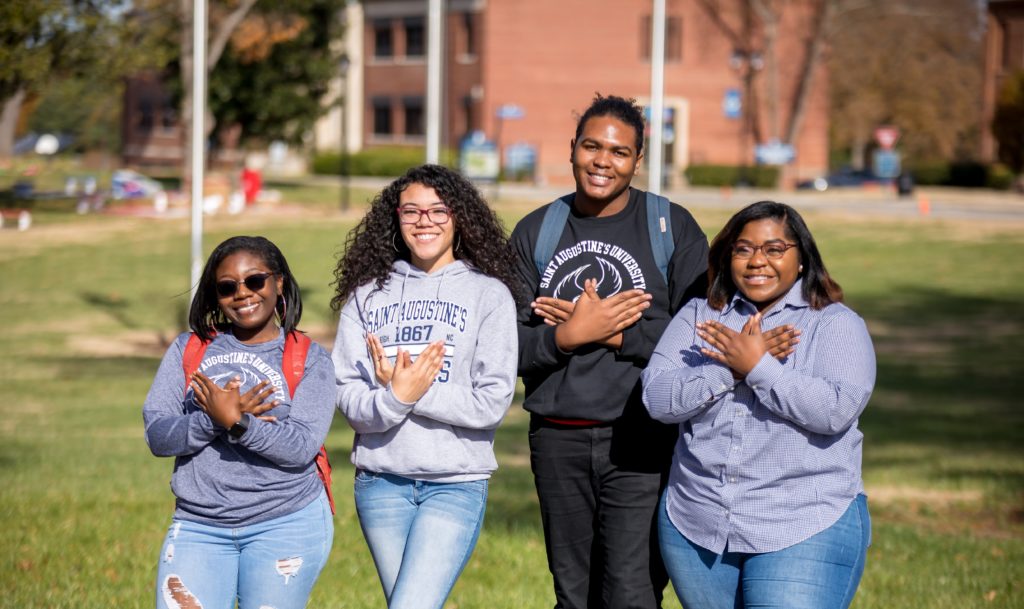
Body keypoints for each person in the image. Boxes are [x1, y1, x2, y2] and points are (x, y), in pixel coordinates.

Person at [510, 93, 709, 609]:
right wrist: (567, 337)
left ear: (637, 160)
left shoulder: (671, 227)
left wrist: (615, 333)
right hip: (557, 441)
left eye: (619, 152)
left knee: (631, 593)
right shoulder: (536, 231)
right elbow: (507, 347)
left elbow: (699, 337)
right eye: (591, 146)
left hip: (643, 440)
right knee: (573, 595)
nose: (603, 161)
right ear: (572, 149)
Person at [642, 201, 876, 609]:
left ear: (801, 259)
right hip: (698, 525)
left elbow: (836, 409)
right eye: (744, 249)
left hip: (804, 523)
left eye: (774, 249)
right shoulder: (699, 316)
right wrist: (728, 370)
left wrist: (759, 368)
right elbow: (656, 398)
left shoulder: (834, 323)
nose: (757, 261)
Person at [331, 164, 519, 609]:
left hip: (454, 484)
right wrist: (395, 398)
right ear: (396, 218)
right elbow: (348, 397)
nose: (424, 221)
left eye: (438, 210)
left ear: (459, 217)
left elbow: (491, 402)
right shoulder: (365, 297)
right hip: (380, 483)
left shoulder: (488, 296)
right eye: (411, 211)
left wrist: (411, 391)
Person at [143, 236, 336, 609]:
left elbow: (300, 448)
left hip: (286, 524)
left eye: (255, 281)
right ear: (216, 295)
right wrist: (212, 421)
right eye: (227, 287)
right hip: (198, 525)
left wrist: (238, 422)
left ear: (278, 282)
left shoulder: (310, 359)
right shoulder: (188, 349)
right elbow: (158, 434)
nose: (242, 293)